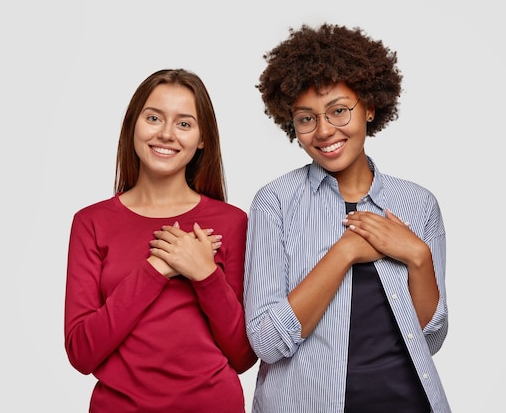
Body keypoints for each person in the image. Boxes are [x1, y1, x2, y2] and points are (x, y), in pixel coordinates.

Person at [243, 24, 451, 413]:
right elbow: (268, 341)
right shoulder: (275, 203)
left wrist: (418, 257)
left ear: (370, 107)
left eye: (339, 111)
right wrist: (344, 254)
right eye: (306, 118)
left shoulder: (418, 203)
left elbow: (430, 339)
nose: (324, 131)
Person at [64, 68, 257, 413]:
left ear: (202, 139)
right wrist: (156, 268)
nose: (166, 134)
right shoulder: (91, 223)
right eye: (154, 118)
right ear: (133, 126)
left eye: (184, 124)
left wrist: (204, 274)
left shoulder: (232, 222)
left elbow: (243, 356)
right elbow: (81, 352)